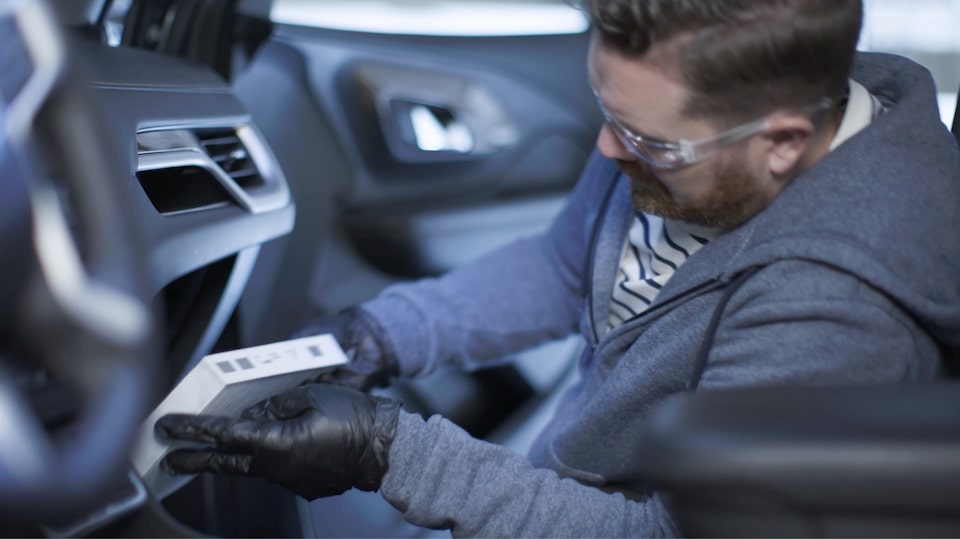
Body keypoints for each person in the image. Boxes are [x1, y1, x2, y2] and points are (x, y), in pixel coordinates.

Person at [155, 0, 960, 536]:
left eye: (646, 141)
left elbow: (661, 533)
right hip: (561, 472)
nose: (610, 152)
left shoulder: (840, 308)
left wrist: (386, 452)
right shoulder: (690, 130)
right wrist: (373, 337)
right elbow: (562, 267)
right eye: (607, 115)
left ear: (783, 140)